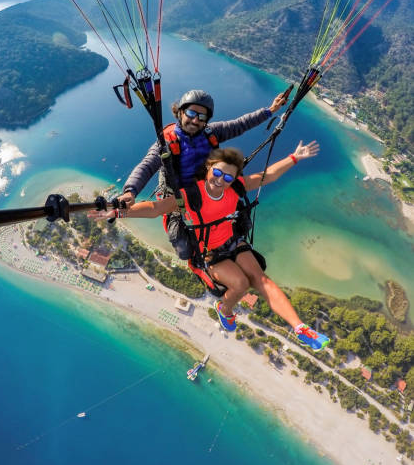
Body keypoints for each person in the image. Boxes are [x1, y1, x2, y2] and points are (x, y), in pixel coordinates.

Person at [108, 141, 330, 351]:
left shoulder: (235, 189)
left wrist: (294, 157)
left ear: (234, 179)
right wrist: (119, 211)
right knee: (241, 284)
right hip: (210, 253)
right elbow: (155, 208)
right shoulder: (191, 194)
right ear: (208, 168)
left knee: (260, 279)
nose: (221, 180)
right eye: (217, 172)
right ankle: (225, 310)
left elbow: (268, 176)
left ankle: (300, 327)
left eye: (227, 177)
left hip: (233, 241)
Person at [118, 88, 289, 257]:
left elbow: (240, 124)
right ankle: (203, 261)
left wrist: (270, 110)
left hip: (209, 191)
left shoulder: (210, 132)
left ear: (206, 120)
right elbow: (147, 166)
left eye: (201, 117)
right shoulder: (166, 142)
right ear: (181, 112)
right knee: (185, 249)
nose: (195, 120)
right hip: (179, 200)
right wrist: (130, 191)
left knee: (242, 225)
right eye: (191, 113)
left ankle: (226, 249)